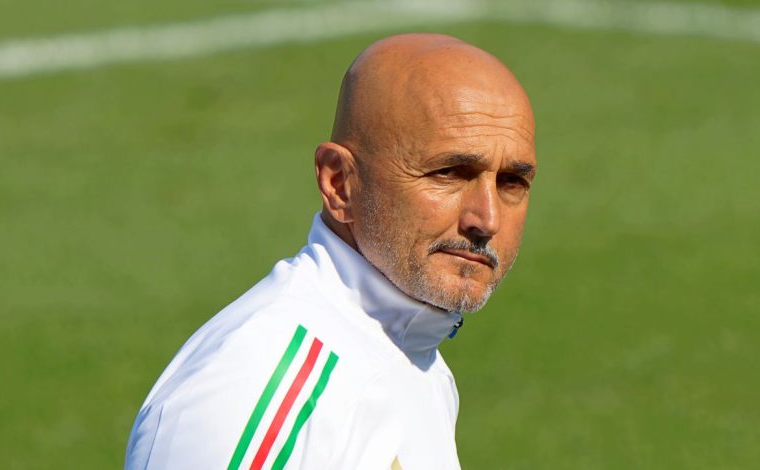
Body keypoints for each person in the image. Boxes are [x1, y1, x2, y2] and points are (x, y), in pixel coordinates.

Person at [125, 32, 536, 470]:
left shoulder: (417, 360)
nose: (486, 219)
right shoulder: (258, 383)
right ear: (339, 183)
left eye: (511, 182)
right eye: (449, 173)